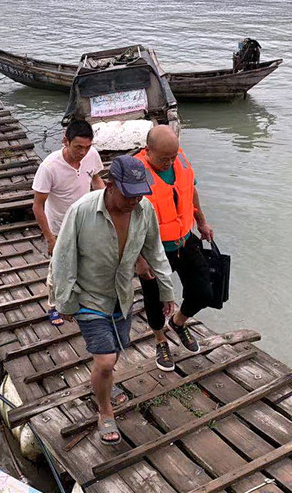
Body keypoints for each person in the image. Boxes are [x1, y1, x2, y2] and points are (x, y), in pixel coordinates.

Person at [54, 156, 174, 446]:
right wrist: (65, 301)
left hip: (122, 295)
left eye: (139, 193)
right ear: (110, 185)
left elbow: (155, 251)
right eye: (128, 194)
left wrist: (167, 291)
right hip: (88, 295)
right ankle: (105, 412)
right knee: (106, 360)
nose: (135, 200)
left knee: (114, 355)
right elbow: (63, 257)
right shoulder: (81, 211)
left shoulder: (144, 211)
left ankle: (102, 384)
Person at [134, 125, 214, 372]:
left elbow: (190, 190)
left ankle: (178, 323)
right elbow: (124, 217)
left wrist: (201, 221)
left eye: (172, 156)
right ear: (148, 151)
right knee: (154, 300)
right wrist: (138, 258)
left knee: (203, 292)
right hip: (153, 250)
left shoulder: (179, 159)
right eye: (163, 158)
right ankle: (160, 340)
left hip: (184, 239)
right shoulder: (136, 172)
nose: (169, 162)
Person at [32, 120, 105, 326]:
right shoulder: (49, 167)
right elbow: (38, 206)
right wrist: (49, 238)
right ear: (65, 141)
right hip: (59, 225)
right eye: (78, 147)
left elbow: (97, 180)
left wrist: (106, 204)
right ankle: (53, 305)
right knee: (58, 267)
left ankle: (81, 299)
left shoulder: (92, 155)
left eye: (87, 147)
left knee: (85, 261)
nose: (83, 152)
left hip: (85, 220)